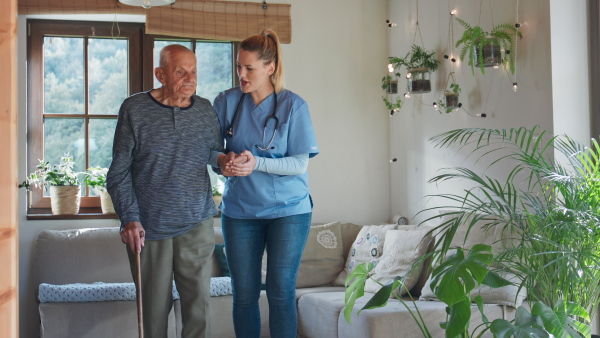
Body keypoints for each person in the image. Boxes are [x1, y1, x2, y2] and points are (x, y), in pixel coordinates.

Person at [107, 44, 223, 338]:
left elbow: (213, 155)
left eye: (194, 71)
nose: (190, 78)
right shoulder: (134, 109)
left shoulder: (206, 110)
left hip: (197, 222)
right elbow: (118, 173)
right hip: (149, 228)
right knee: (153, 316)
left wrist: (228, 162)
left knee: (199, 313)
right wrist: (129, 218)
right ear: (160, 74)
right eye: (180, 71)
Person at [212, 30, 319, 338]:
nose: (241, 75)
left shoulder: (293, 106)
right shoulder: (227, 102)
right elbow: (210, 150)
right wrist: (224, 162)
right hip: (240, 211)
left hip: (288, 211)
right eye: (238, 67)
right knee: (243, 294)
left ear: (270, 68)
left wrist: (257, 162)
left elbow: (299, 164)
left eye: (249, 68)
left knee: (280, 292)